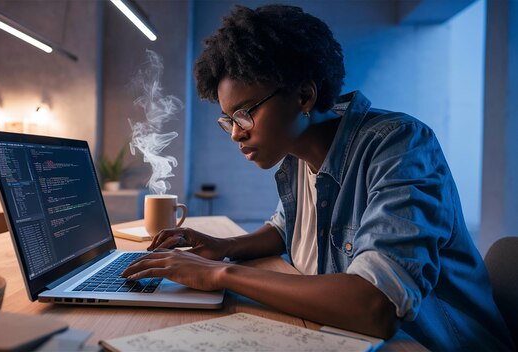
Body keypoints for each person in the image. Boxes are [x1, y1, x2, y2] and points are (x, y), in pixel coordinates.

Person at [122, 4, 514, 350]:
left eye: (245, 113)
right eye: (228, 120)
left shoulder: (399, 146)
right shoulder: (295, 155)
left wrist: (221, 273)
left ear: (304, 97)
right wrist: (222, 246)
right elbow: (285, 229)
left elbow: (373, 305)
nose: (237, 132)